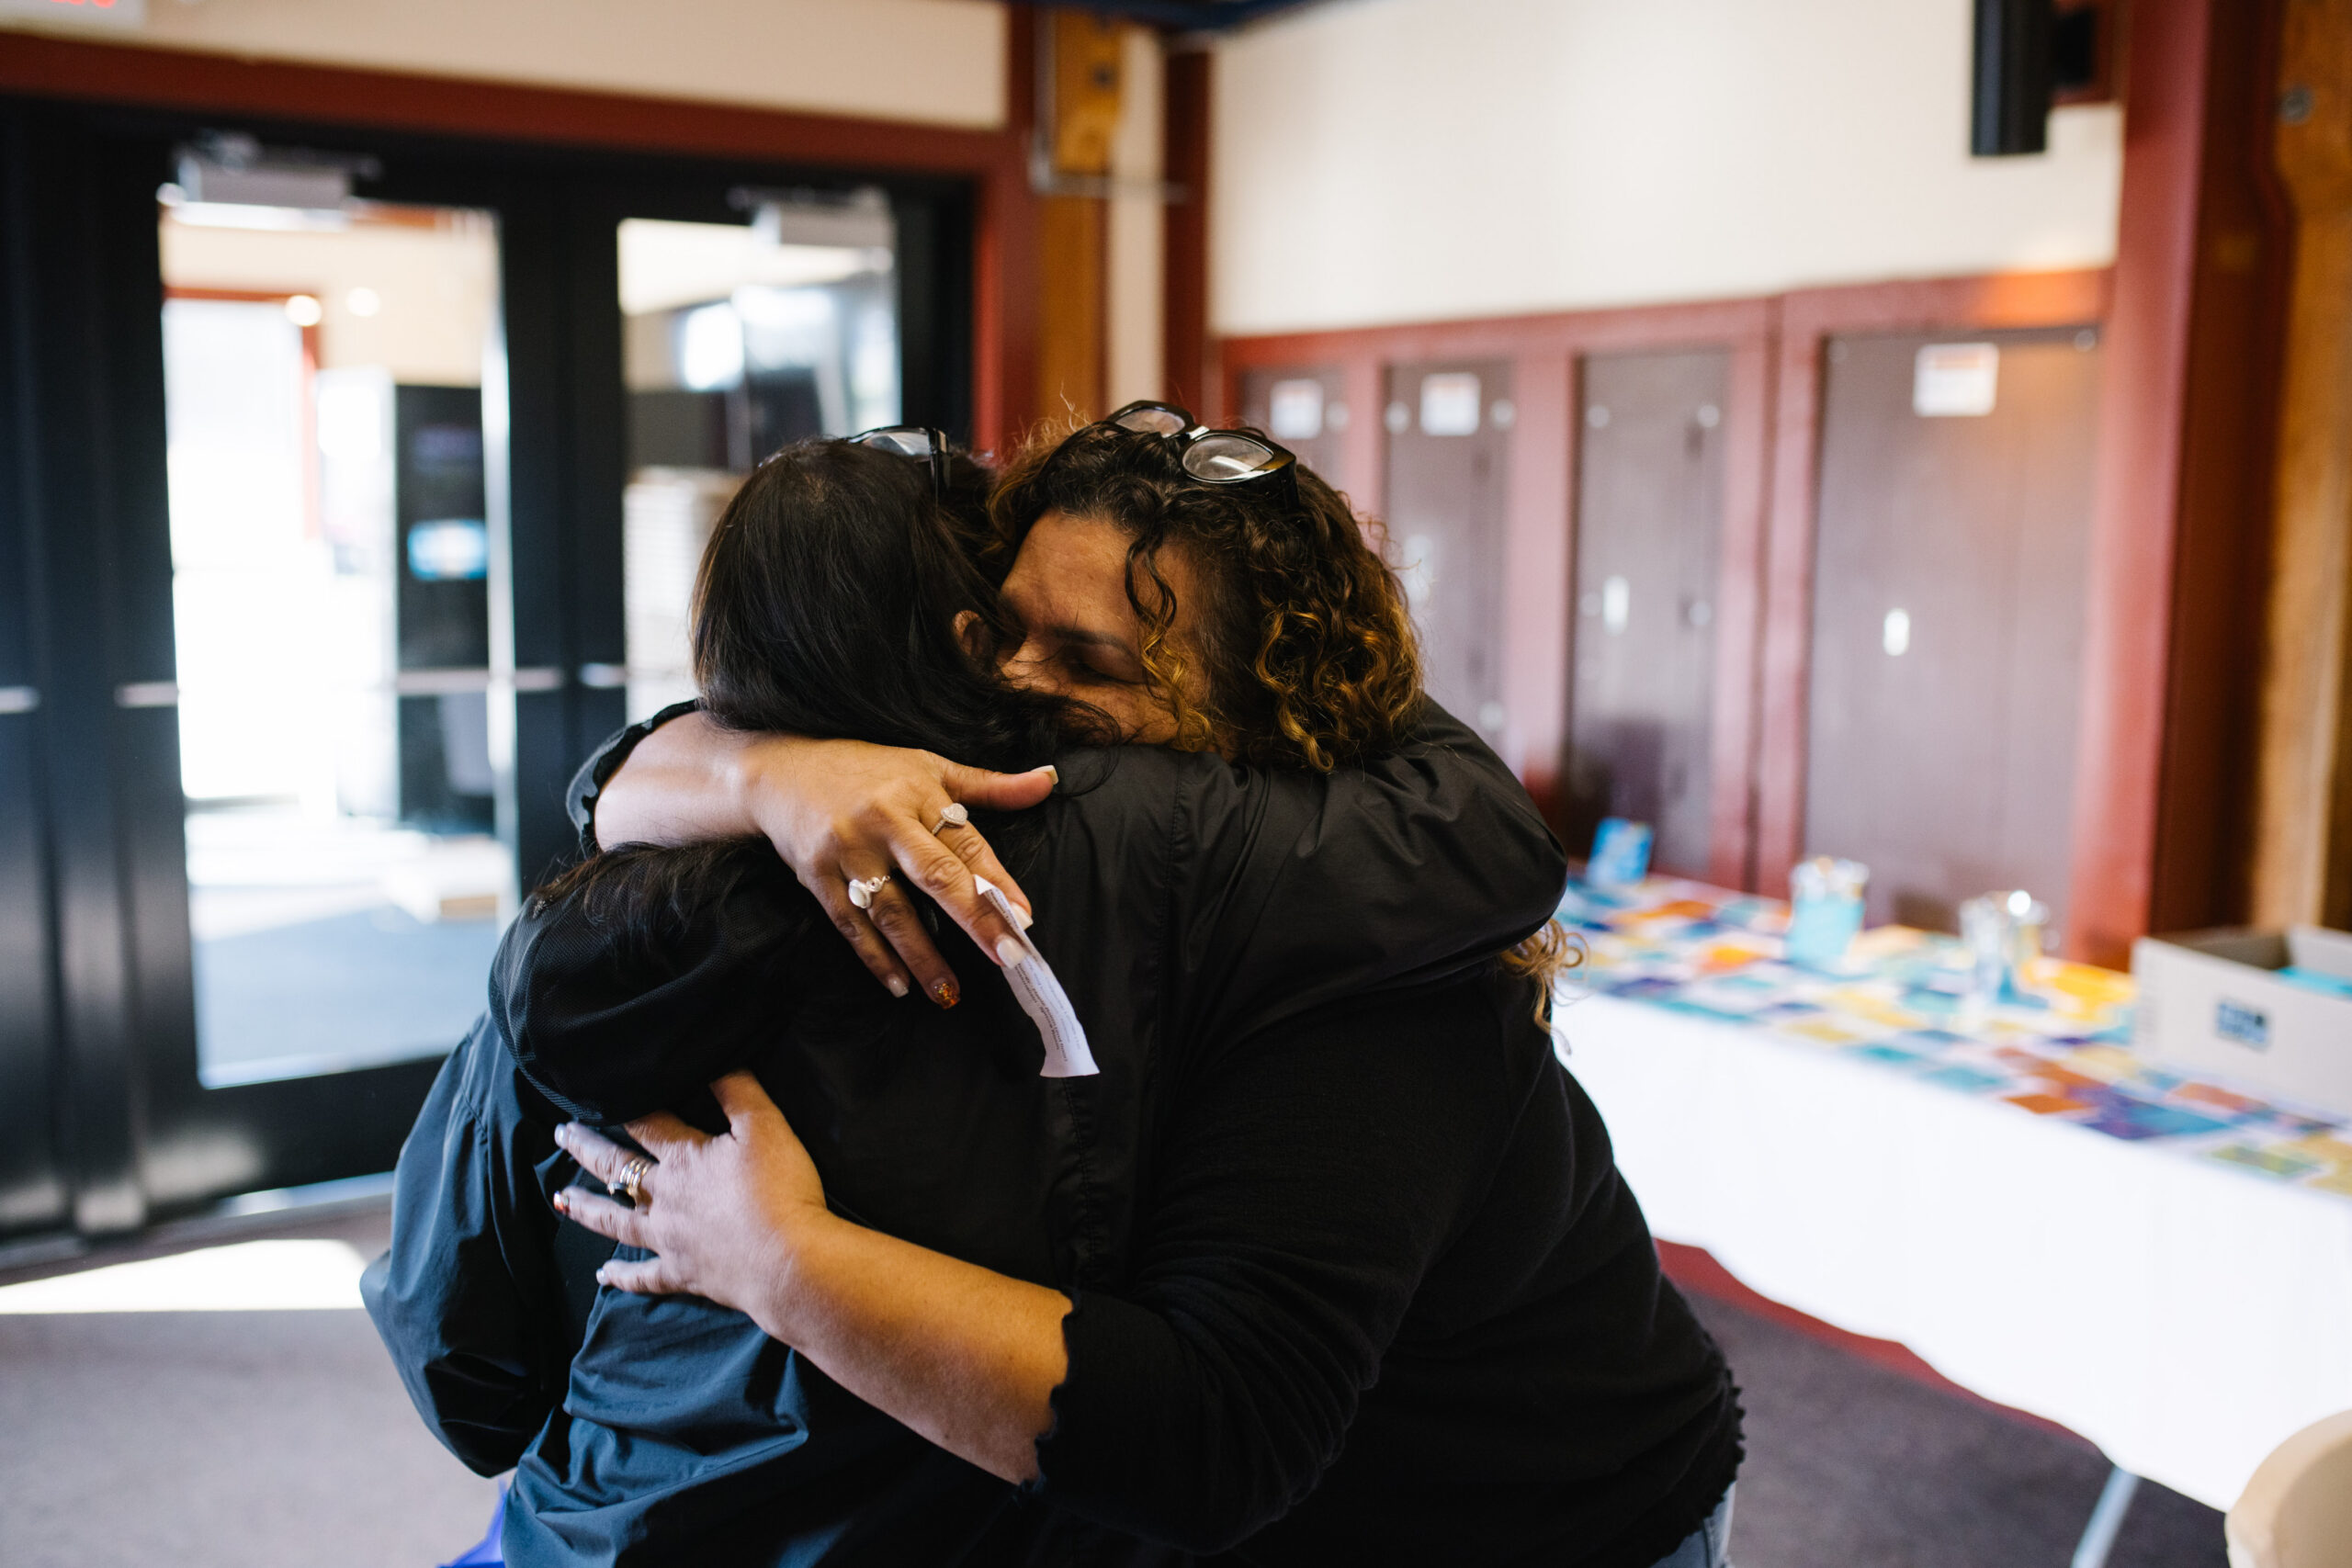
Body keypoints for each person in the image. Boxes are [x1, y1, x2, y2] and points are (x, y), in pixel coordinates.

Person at [364, 427, 1662, 1564]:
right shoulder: (917, 858)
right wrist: (758, 773)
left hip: (1512, 1513)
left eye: (1090, 661)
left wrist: (781, 1260)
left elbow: (1216, 1441)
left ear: (1258, 726)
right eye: (998, 633)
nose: (1013, 689)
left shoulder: (1357, 971)